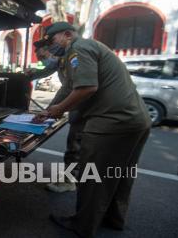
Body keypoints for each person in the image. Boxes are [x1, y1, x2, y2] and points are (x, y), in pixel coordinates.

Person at [36, 22, 151, 238]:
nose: (50, 47)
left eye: (51, 41)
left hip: (110, 123)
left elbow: (87, 87)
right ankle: (113, 219)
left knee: (93, 177)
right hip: (135, 120)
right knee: (120, 174)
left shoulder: (77, 49)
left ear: (67, 35)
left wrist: (59, 110)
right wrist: (52, 109)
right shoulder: (84, 50)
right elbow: (68, 87)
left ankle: (82, 225)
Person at [27, 40, 81, 193]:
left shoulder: (73, 56)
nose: (43, 60)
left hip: (87, 107)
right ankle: (74, 178)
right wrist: (49, 110)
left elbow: (76, 87)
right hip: (81, 106)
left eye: (42, 55)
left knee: (76, 144)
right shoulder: (61, 60)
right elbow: (60, 82)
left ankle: (71, 181)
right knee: (77, 144)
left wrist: (56, 109)